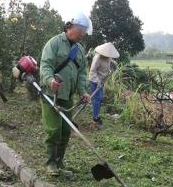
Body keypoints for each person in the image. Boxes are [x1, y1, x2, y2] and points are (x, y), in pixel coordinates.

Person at [40, 12, 92, 177]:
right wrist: (50, 80)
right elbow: (45, 65)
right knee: (54, 130)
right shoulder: (54, 43)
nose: (82, 34)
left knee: (65, 131)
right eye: (80, 30)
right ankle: (50, 163)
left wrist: (83, 91)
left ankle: (60, 162)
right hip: (51, 94)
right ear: (69, 27)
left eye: (84, 31)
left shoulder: (79, 49)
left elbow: (82, 72)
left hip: (67, 97)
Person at [89, 43, 119, 129]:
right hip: (95, 80)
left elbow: (111, 62)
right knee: (97, 99)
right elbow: (92, 72)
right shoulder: (97, 58)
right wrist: (97, 82)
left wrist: (115, 65)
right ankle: (95, 118)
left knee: (100, 98)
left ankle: (96, 116)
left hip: (102, 81)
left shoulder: (108, 57)